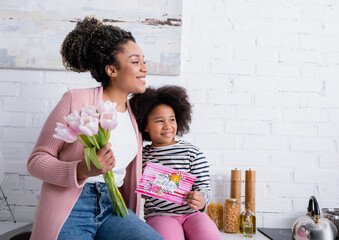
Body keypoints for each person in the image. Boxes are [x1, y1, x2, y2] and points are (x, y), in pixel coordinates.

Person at [27, 16, 163, 240]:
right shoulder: (75, 99)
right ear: (112, 70)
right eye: (136, 61)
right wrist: (81, 169)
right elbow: (37, 161)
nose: (145, 68)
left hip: (113, 206)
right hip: (72, 204)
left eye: (144, 61)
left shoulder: (136, 114)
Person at [129, 86, 222, 240]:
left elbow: (204, 188)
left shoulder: (193, 153)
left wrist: (201, 200)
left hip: (192, 214)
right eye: (159, 121)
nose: (167, 126)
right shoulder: (141, 156)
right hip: (160, 215)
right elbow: (136, 190)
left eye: (172, 119)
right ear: (145, 126)